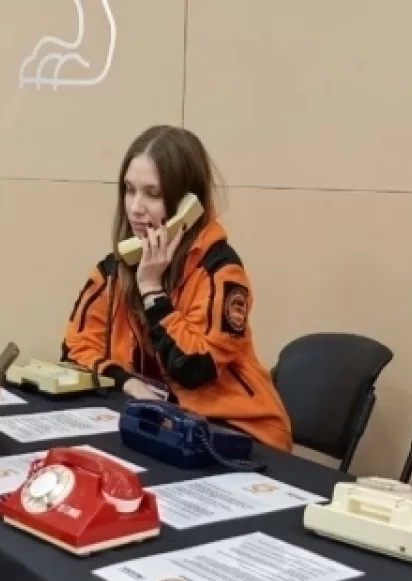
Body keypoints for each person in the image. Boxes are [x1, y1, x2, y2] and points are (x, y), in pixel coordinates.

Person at [61, 124, 293, 452]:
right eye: (129, 190)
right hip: (168, 425)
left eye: (152, 194)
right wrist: (129, 383)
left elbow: (194, 369)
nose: (135, 207)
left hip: (239, 432)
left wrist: (152, 290)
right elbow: (75, 350)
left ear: (188, 205)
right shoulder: (114, 272)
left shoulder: (221, 272)